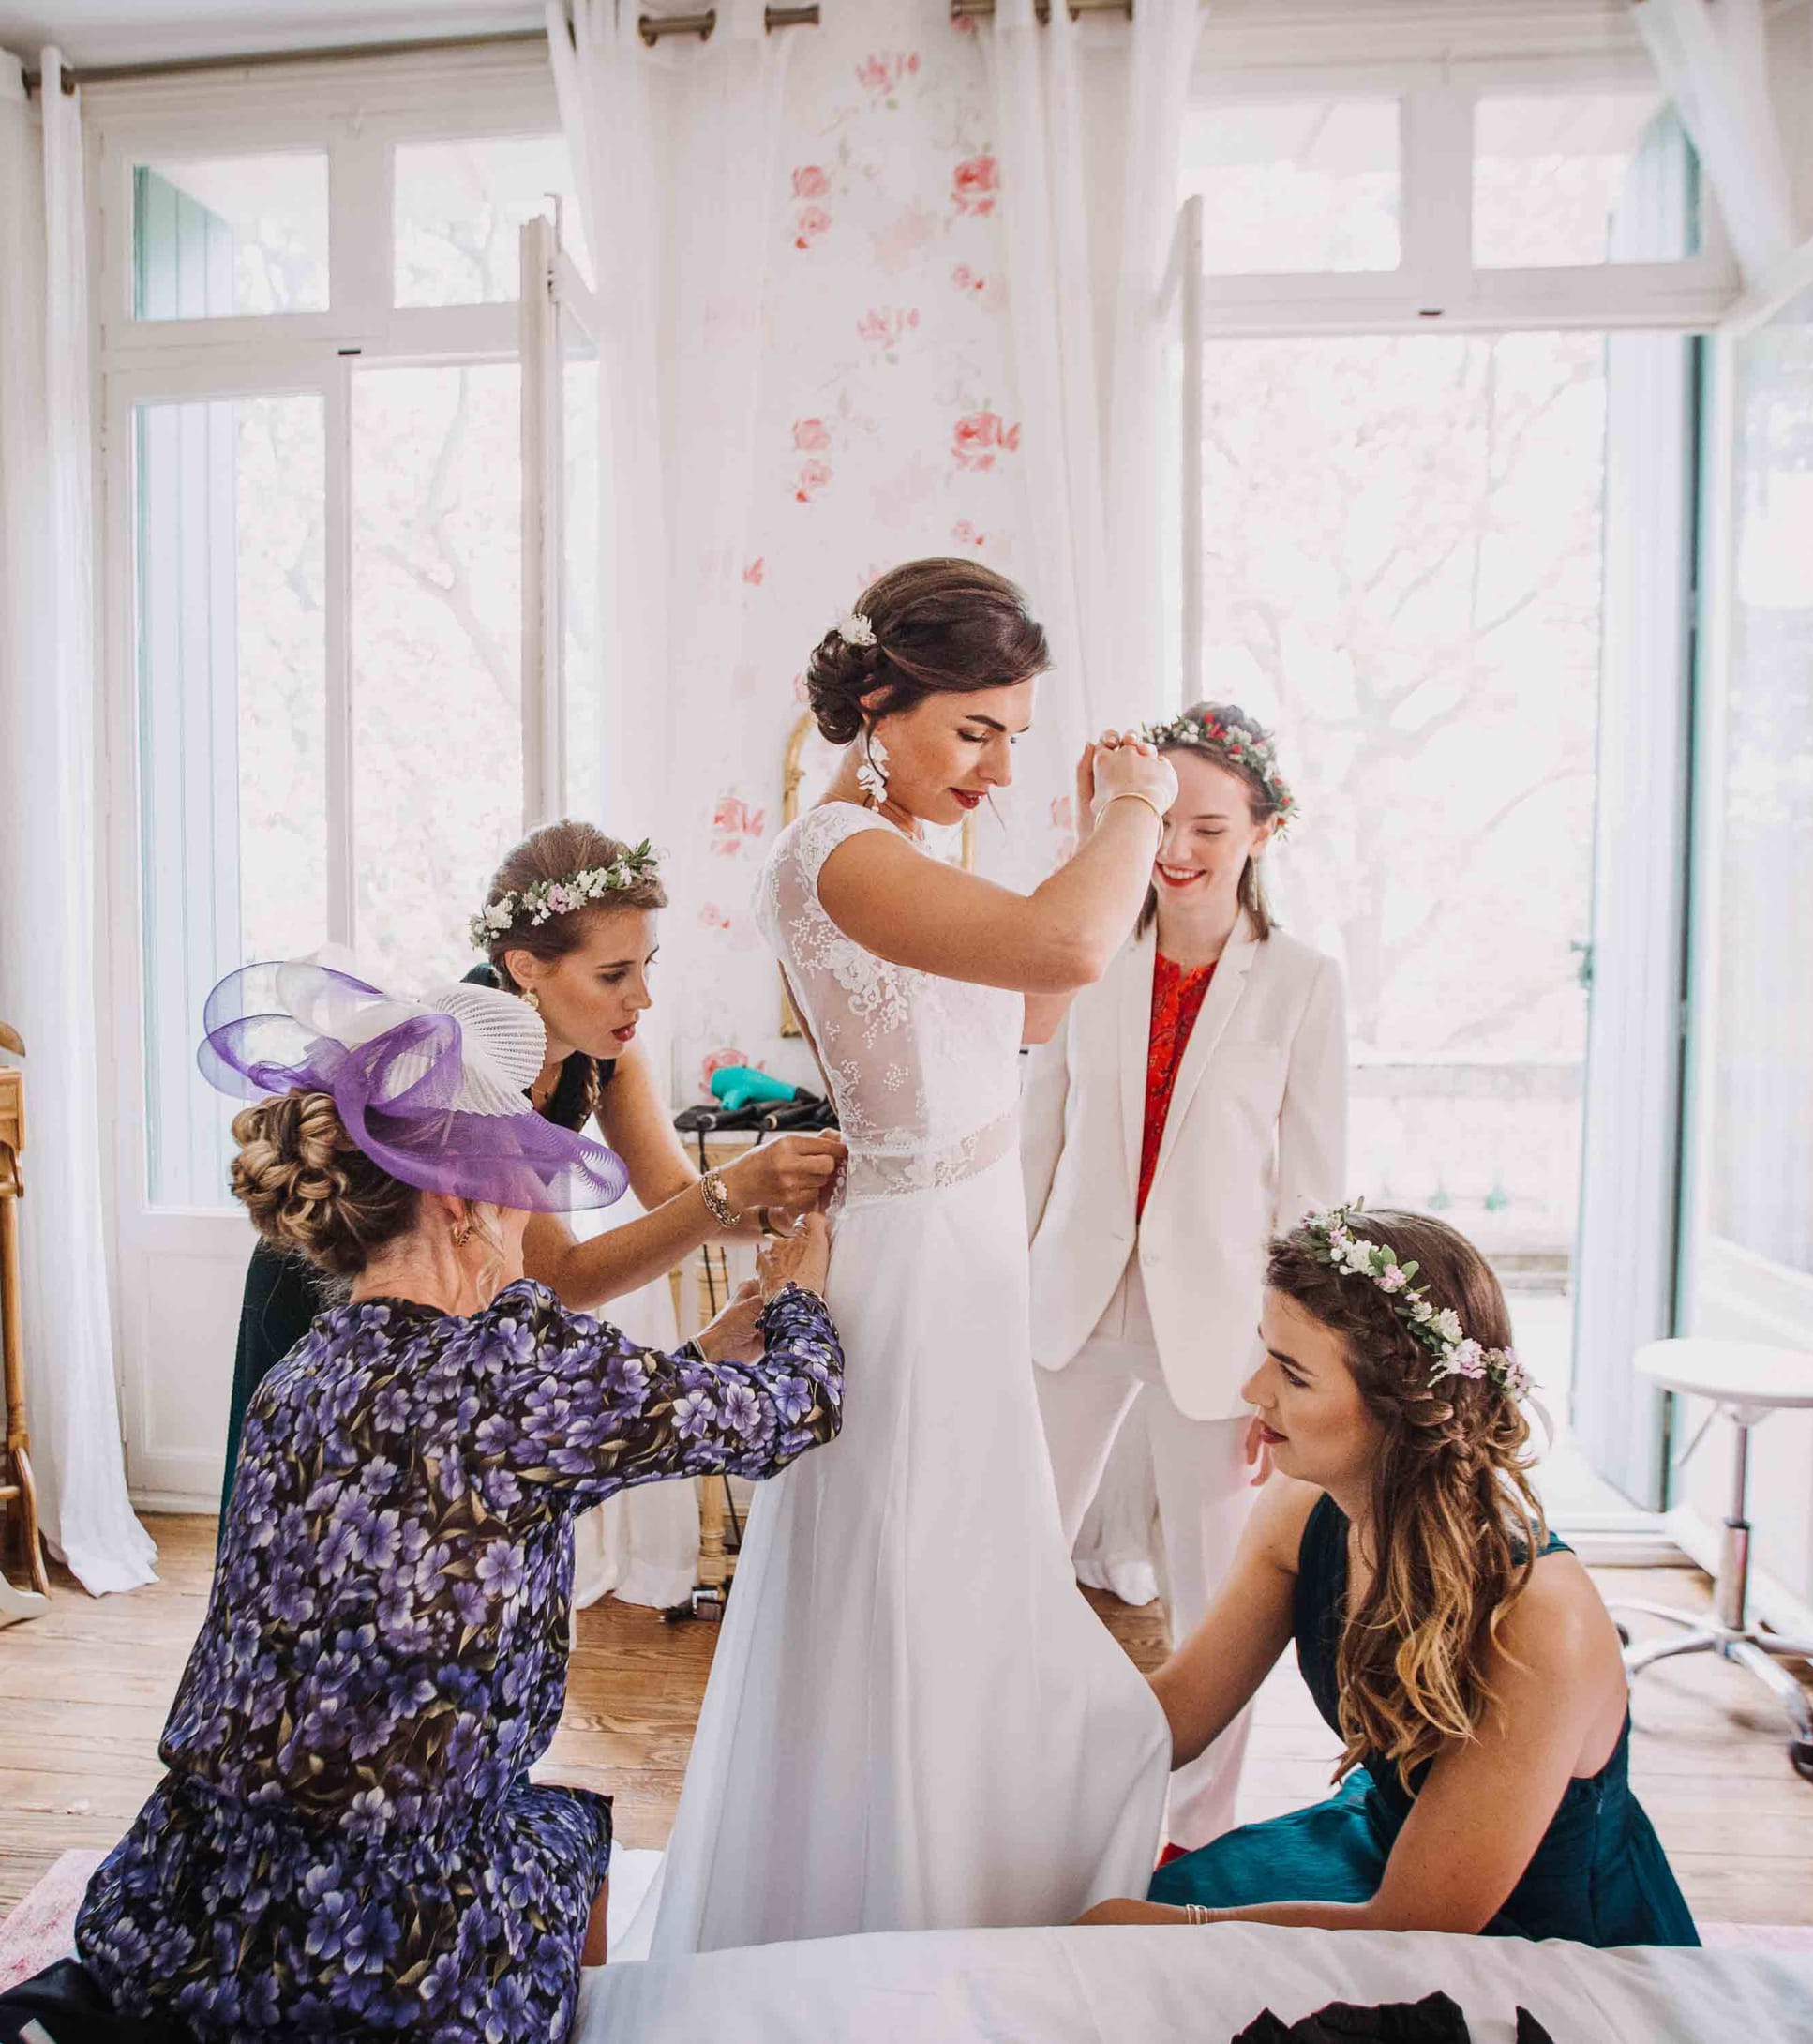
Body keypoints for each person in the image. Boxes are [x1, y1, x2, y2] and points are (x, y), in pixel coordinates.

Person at [77, 964, 844, 2040]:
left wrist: (695, 1358)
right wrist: (803, 1295)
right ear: (457, 1202)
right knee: (569, 1830)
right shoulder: (518, 1363)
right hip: (387, 1958)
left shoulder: (302, 1372)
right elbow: (793, 1411)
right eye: (518, 1184)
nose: (531, 1214)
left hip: (186, 1914)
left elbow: (486, 1483)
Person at [639, 559, 1178, 1953]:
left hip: (970, 1235)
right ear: (879, 701)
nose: (996, 765)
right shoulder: (835, 854)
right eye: (974, 729)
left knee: (967, 1571)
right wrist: (1133, 809)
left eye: (1015, 733)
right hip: (916, 1262)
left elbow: (1042, 1009)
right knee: (912, 1575)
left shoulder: (920, 849)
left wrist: (1073, 829)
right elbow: (1071, 942)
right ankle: (881, 1910)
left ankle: (945, 1874)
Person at [1080, 1204, 1699, 1947]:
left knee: (1132, 1943)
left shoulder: (1538, 1622)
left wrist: (1181, 1928)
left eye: (1295, 1377)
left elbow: (1423, 1922)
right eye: (1266, 1353)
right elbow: (1174, 1719)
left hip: (1530, 1940)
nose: (1254, 1392)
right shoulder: (1300, 1507)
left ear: (1398, 1413)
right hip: (1383, 1851)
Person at [218, 819, 844, 1513]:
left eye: (647, 966)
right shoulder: (465, 1065)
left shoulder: (607, 1049)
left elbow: (675, 1199)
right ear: (524, 968)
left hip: (458, 1288)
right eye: (613, 974)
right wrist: (734, 1195)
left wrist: (798, 1201)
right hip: (334, 1278)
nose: (642, 997)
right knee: (325, 1502)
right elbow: (562, 1277)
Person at [1023, 702, 1346, 1850]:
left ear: (1262, 830)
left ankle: (1188, 1834)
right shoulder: (1087, 954)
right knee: (1014, 1550)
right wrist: (994, 1289)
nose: (1175, 849)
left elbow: (1310, 1196)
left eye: (1209, 825)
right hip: (1069, 1300)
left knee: (1215, 1600)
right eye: (1164, 819)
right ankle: (1019, 1778)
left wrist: (1294, 1368)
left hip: (1220, 1333)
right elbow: (1037, 1137)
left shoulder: (1302, 982)